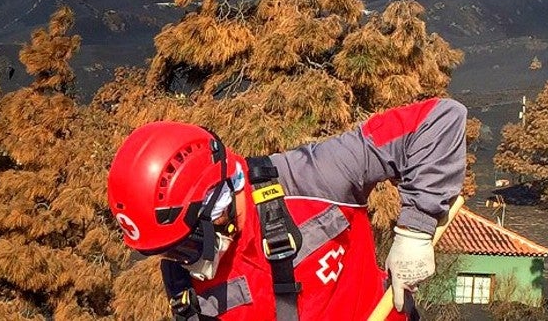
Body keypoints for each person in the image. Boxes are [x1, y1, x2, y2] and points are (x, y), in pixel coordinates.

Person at [106, 97, 467, 321]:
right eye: (165, 252)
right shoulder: (185, 283)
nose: (183, 263)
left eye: (185, 246)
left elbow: (439, 121)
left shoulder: (312, 178)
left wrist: (415, 230)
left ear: (219, 207)